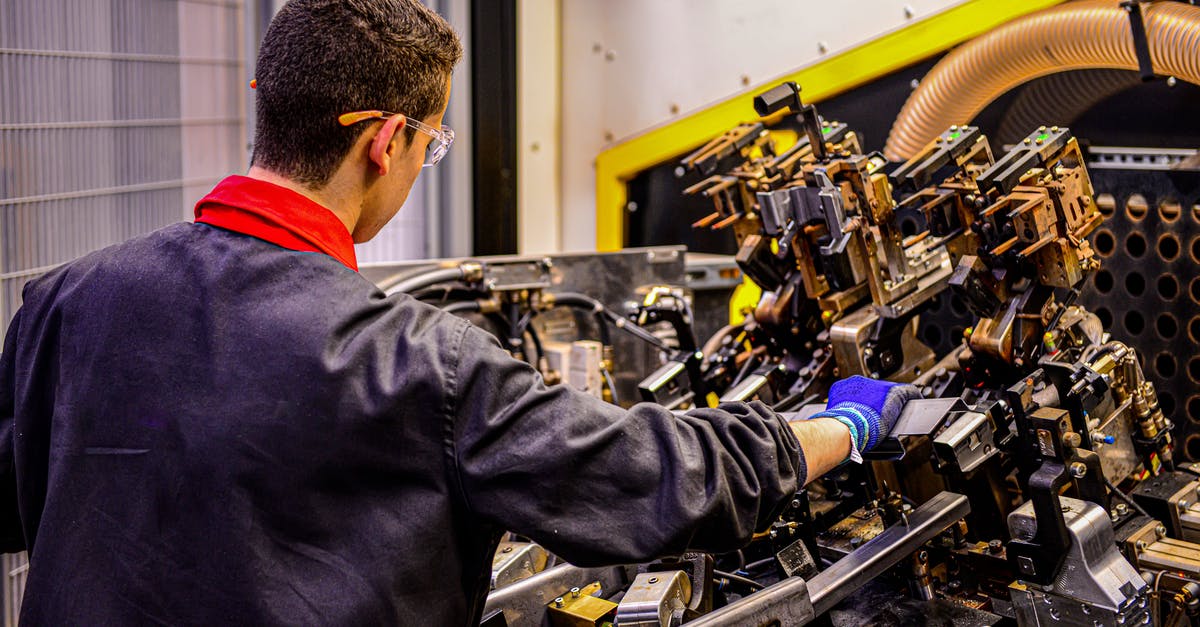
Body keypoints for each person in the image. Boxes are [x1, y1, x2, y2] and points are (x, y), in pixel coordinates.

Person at [0, 0, 919, 624]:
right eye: (432, 143)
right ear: (385, 138)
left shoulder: (67, 299)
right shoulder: (415, 363)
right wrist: (837, 425)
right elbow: (649, 478)